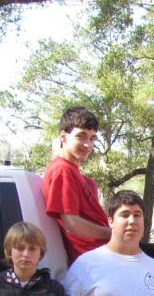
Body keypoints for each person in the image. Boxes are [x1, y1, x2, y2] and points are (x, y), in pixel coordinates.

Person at [42, 107, 111, 264]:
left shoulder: (76, 173)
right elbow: (72, 223)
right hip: (96, 258)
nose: (88, 145)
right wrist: (113, 234)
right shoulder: (62, 169)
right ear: (63, 137)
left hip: (107, 251)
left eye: (92, 138)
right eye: (81, 136)